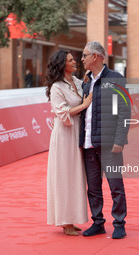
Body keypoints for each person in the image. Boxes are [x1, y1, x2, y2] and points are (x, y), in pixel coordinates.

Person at [80, 41, 130, 239]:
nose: (81, 59)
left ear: (97, 56)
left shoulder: (116, 79)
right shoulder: (85, 81)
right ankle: (98, 222)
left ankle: (119, 223)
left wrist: (120, 139)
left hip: (110, 144)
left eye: (85, 55)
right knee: (93, 188)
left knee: (115, 186)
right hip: (88, 144)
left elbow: (125, 111)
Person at [46, 49, 93, 236]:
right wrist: (84, 105)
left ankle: (72, 219)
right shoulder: (56, 87)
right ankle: (64, 222)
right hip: (64, 135)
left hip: (77, 134)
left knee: (75, 177)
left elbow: (89, 91)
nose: (75, 62)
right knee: (64, 176)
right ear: (62, 64)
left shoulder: (78, 83)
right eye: (71, 60)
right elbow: (62, 112)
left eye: (74, 59)